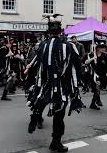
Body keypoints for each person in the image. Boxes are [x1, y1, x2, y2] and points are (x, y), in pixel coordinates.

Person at [24, 14, 85, 152]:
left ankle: (37, 118)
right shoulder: (68, 46)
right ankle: (55, 142)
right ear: (61, 31)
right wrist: (80, 82)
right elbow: (78, 65)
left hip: (46, 84)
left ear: (49, 32)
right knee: (59, 113)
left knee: (41, 100)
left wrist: (29, 73)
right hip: (61, 86)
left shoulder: (43, 46)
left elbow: (35, 63)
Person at [84, 42, 107, 110]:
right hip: (94, 74)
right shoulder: (91, 54)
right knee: (97, 88)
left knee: (97, 89)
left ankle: (95, 102)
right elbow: (85, 62)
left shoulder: (105, 55)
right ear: (98, 48)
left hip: (102, 75)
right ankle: (95, 102)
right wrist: (93, 58)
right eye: (102, 47)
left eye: (104, 47)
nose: (104, 49)